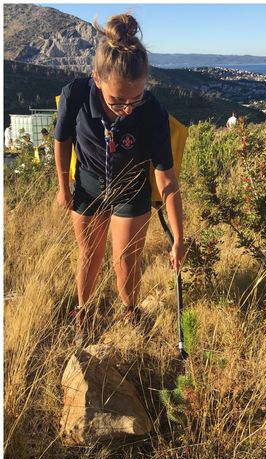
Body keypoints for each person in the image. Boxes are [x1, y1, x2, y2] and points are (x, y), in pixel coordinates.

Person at [54, 13, 184, 337]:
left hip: (132, 188)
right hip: (88, 184)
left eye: (135, 98)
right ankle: (83, 310)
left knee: (125, 260)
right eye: (117, 100)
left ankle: (130, 312)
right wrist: (62, 187)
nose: (127, 108)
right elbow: (62, 140)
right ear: (96, 77)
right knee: (89, 254)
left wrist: (180, 237)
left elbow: (166, 180)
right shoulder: (75, 94)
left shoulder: (151, 111)